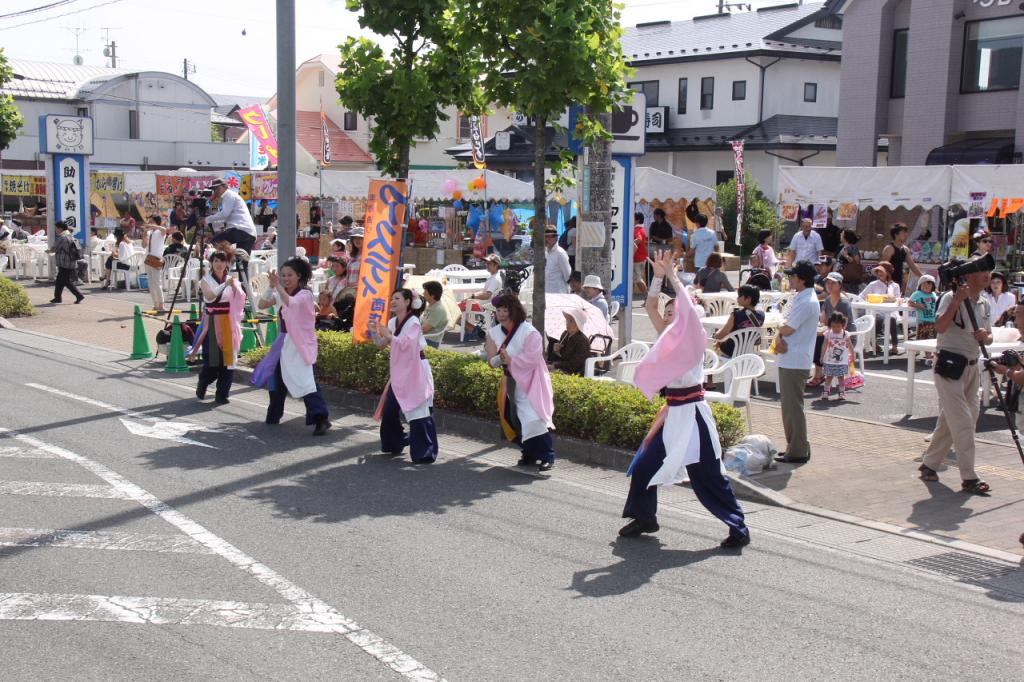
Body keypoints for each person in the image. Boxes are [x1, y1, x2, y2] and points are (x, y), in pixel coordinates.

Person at [620, 250, 750, 547]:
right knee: (643, 466)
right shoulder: (669, 335)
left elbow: (689, 311)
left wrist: (676, 278)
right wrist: (660, 278)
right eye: (668, 311)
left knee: (708, 477)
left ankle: (738, 527)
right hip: (673, 414)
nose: (668, 313)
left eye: (674, 310)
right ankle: (644, 517)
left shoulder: (692, 335)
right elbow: (652, 303)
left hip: (692, 416)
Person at [917, 258, 993, 495]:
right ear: (968, 276)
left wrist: (985, 337)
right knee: (963, 421)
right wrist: (958, 301)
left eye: (989, 271)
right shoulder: (950, 297)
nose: (987, 275)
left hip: (972, 366)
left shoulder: (984, 302)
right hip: (950, 365)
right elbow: (939, 326)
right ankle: (969, 477)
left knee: (957, 418)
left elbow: (989, 336)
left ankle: (930, 463)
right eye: (982, 271)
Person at [253, 257, 331, 436]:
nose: (286, 278)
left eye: (290, 275)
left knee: (306, 381)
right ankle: (274, 414)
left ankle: (321, 418)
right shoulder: (281, 293)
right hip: (284, 341)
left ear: (299, 276)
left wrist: (278, 287)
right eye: (283, 275)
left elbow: (291, 303)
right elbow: (262, 304)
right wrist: (271, 286)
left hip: (299, 344)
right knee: (276, 377)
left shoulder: (305, 295)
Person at [485, 293, 556, 472]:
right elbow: (491, 360)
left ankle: (547, 456)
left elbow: (533, 358)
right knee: (514, 420)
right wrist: (498, 360)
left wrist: (511, 360)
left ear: (514, 311)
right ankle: (528, 453)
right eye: (498, 310)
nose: (501, 314)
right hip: (510, 381)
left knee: (534, 418)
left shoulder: (529, 332)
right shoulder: (493, 333)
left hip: (532, 380)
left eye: (505, 310)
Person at [371, 289, 439, 463]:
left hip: (416, 369)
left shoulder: (414, 322)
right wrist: (373, 331)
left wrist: (389, 335)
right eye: (392, 298)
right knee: (390, 410)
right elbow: (381, 344)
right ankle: (395, 442)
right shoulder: (393, 321)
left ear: (408, 302)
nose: (393, 301)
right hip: (401, 372)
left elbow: (407, 345)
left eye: (397, 298)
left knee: (418, 411)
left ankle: (425, 452)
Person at [186, 246, 246, 404]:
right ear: (211, 263)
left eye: (222, 260)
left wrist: (235, 288)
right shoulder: (205, 280)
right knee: (212, 361)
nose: (219, 264)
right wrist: (225, 285)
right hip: (212, 321)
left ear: (227, 263)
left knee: (228, 361)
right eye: (216, 261)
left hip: (228, 321)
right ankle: (203, 382)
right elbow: (210, 297)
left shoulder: (232, 279)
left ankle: (222, 393)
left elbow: (241, 299)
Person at [774, 261, 820, 463]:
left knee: (792, 408)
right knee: (789, 408)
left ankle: (798, 449)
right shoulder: (801, 297)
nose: (790, 279)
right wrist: (780, 331)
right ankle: (796, 446)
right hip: (790, 357)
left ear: (801, 279)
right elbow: (785, 326)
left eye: (793, 276)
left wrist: (779, 327)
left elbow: (787, 327)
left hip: (795, 360)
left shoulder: (807, 300)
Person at [807, 272, 855, 387]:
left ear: (840, 285)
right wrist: (821, 328)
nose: (829, 285)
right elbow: (823, 320)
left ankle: (819, 374)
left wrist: (823, 331)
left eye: (833, 283)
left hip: (845, 338)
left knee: (819, 340)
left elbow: (843, 326)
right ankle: (814, 370)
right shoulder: (828, 300)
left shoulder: (844, 302)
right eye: (828, 283)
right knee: (812, 337)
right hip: (831, 333)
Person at [204, 178, 257, 255]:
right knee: (241, 261)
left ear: (225, 187)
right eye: (214, 189)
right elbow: (224, 216)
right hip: (249, 232)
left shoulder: (228, 195)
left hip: (240, 230)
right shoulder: (232, 196)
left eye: (218, 188)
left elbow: (225, 213)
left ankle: (226, 261)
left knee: (216, 241)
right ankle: (229, 260)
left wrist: (207, 219)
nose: (216, 191)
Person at [862, 261, 902, 355]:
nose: (879, 274)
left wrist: (893, 299)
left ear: (888, 273)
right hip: (877, 310)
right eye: (878, 271)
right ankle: (873, 341)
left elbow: (897, 299)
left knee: (891, 319)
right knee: (877, 318)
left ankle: (894, 346)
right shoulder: (873, 284)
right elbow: (862, 296)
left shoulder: (895, 286)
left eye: (882, 272)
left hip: (891, 310)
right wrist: (869, 299)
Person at [713, 285, 764, 358]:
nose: (737, 298)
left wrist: (714, 335)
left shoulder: (736, 315)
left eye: (740, 296)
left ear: (748, 299)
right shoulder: (761, 315)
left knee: (714, 341)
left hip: (730, 351)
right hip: (748, 352)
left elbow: (721, 335)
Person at [819, 312, 855, 401]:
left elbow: (850, 345)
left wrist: (853, 355)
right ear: (830, 325)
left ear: (842, 325)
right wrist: (822, 356)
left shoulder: (845, 334)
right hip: (830, 359)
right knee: (829, 376)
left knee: (841, 377)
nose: (836, 328)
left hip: (841, 360)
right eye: (833, 326)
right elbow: (824, 345)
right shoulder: (828, 333)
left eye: (838, 326)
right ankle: (826, 391)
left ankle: (841, 392)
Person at [50, 221, 85, 304]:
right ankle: (57, 297)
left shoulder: (63, 237)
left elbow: (55, 248)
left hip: (64, 262)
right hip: (71, 261)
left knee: (66, 281)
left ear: (60, 228)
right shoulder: (71, 236)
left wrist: (48, 251)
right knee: (59, 280)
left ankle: (79, 295)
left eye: (56, 228)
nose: (56, 230)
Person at [880, 222, 921, 294]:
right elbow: (883, 268)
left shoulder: (905, 249)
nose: (906, 235)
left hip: (899, 283)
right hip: (888, 283)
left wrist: (923, 277)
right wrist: (889, 281)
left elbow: (912, 266)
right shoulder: (889, 248)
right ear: (896, 234)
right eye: (903, 233)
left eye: (906, 232)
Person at [548, 309, 591, 375]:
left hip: (573, 373)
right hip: (561, 367)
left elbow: (574, 365)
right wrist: (556, 351)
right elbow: (557, 358)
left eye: (571, 321)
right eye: (567, 320)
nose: (567, 323)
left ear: (577, 324)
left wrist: (555, 366)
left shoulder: (583, 341)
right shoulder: (565, 334)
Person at [908, 275, 939, 365]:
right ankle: (928, 357)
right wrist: (918, 305)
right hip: (923, 320)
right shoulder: (917, 294)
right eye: (924, 285)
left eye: (929, 285)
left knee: (933, 338)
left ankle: (932, 355)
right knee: (925, 338)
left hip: (933, 320)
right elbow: (910, 302)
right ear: (919, 286)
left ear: (933, 286)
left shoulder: (933, 294)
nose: (926, 287)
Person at [322, 256, 354, 331]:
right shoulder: (330, 280)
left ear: (344, 268)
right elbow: (325, 294)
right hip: (328, 307)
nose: (335, 268)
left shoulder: (347, 281)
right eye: (333, 266)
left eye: (337, 266)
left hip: (341, 309)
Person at [143, 217, 167, 312]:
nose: (149, 223)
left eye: (152, 221)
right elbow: (144, 245)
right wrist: (144, 234)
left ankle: (161, 304)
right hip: (148, 258)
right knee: (151, 283)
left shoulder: (160, 232)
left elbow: (164, 229)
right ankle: (155, 304)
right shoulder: (150, 233)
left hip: (156, 259)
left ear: (156, 223)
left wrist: (151, 226)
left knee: (157, 283)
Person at [420, 280, 450, 347]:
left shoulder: (438, 310)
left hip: (429, 340)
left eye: (425, 291)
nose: (423, 293)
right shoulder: (431, 306)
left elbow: (424, 329)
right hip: (424, 338)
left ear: (432, 295)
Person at [544, 225, 571, 294]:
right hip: (547, 292)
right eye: (546, 236)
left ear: (555, 238)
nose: (547, 239)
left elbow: (568, 275)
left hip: (558, 292)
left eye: (549, 237)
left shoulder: (560, 253)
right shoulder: (545, 252)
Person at [633, 212, 650, 293]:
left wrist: (630, 246)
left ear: (637, 220)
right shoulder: (643, 229)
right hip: (642, 257)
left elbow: (639, 239)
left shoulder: (637, 230)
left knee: (638, 279)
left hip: (638, 258)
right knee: (635, 279)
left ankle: (647, 296)